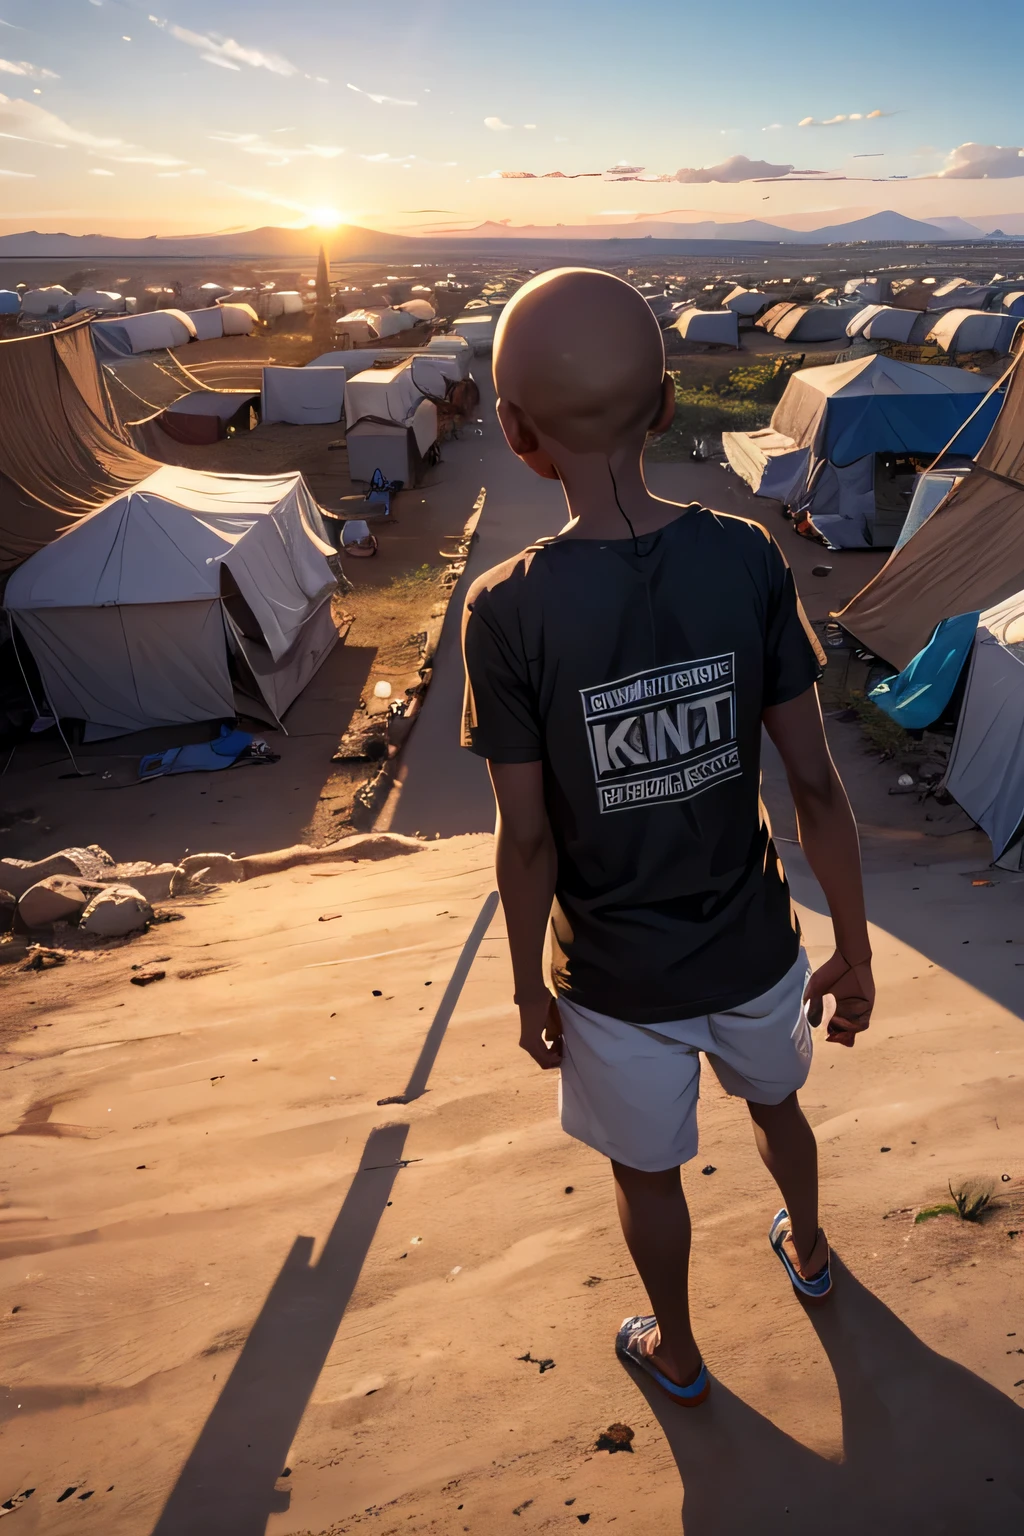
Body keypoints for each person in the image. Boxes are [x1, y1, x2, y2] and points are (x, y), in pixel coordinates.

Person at [461, 268, 874, 1407]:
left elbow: (526, 840)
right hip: (754, 946)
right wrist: (854, 943)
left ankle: (680, 1352)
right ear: (660, 412)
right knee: (775, 1105)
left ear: (514, 432)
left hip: (614, 978)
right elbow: (816, 787)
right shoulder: (744, 555)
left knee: (648, 1173)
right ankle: (809, 1249)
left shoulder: (507, 608)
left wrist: (524, 988)